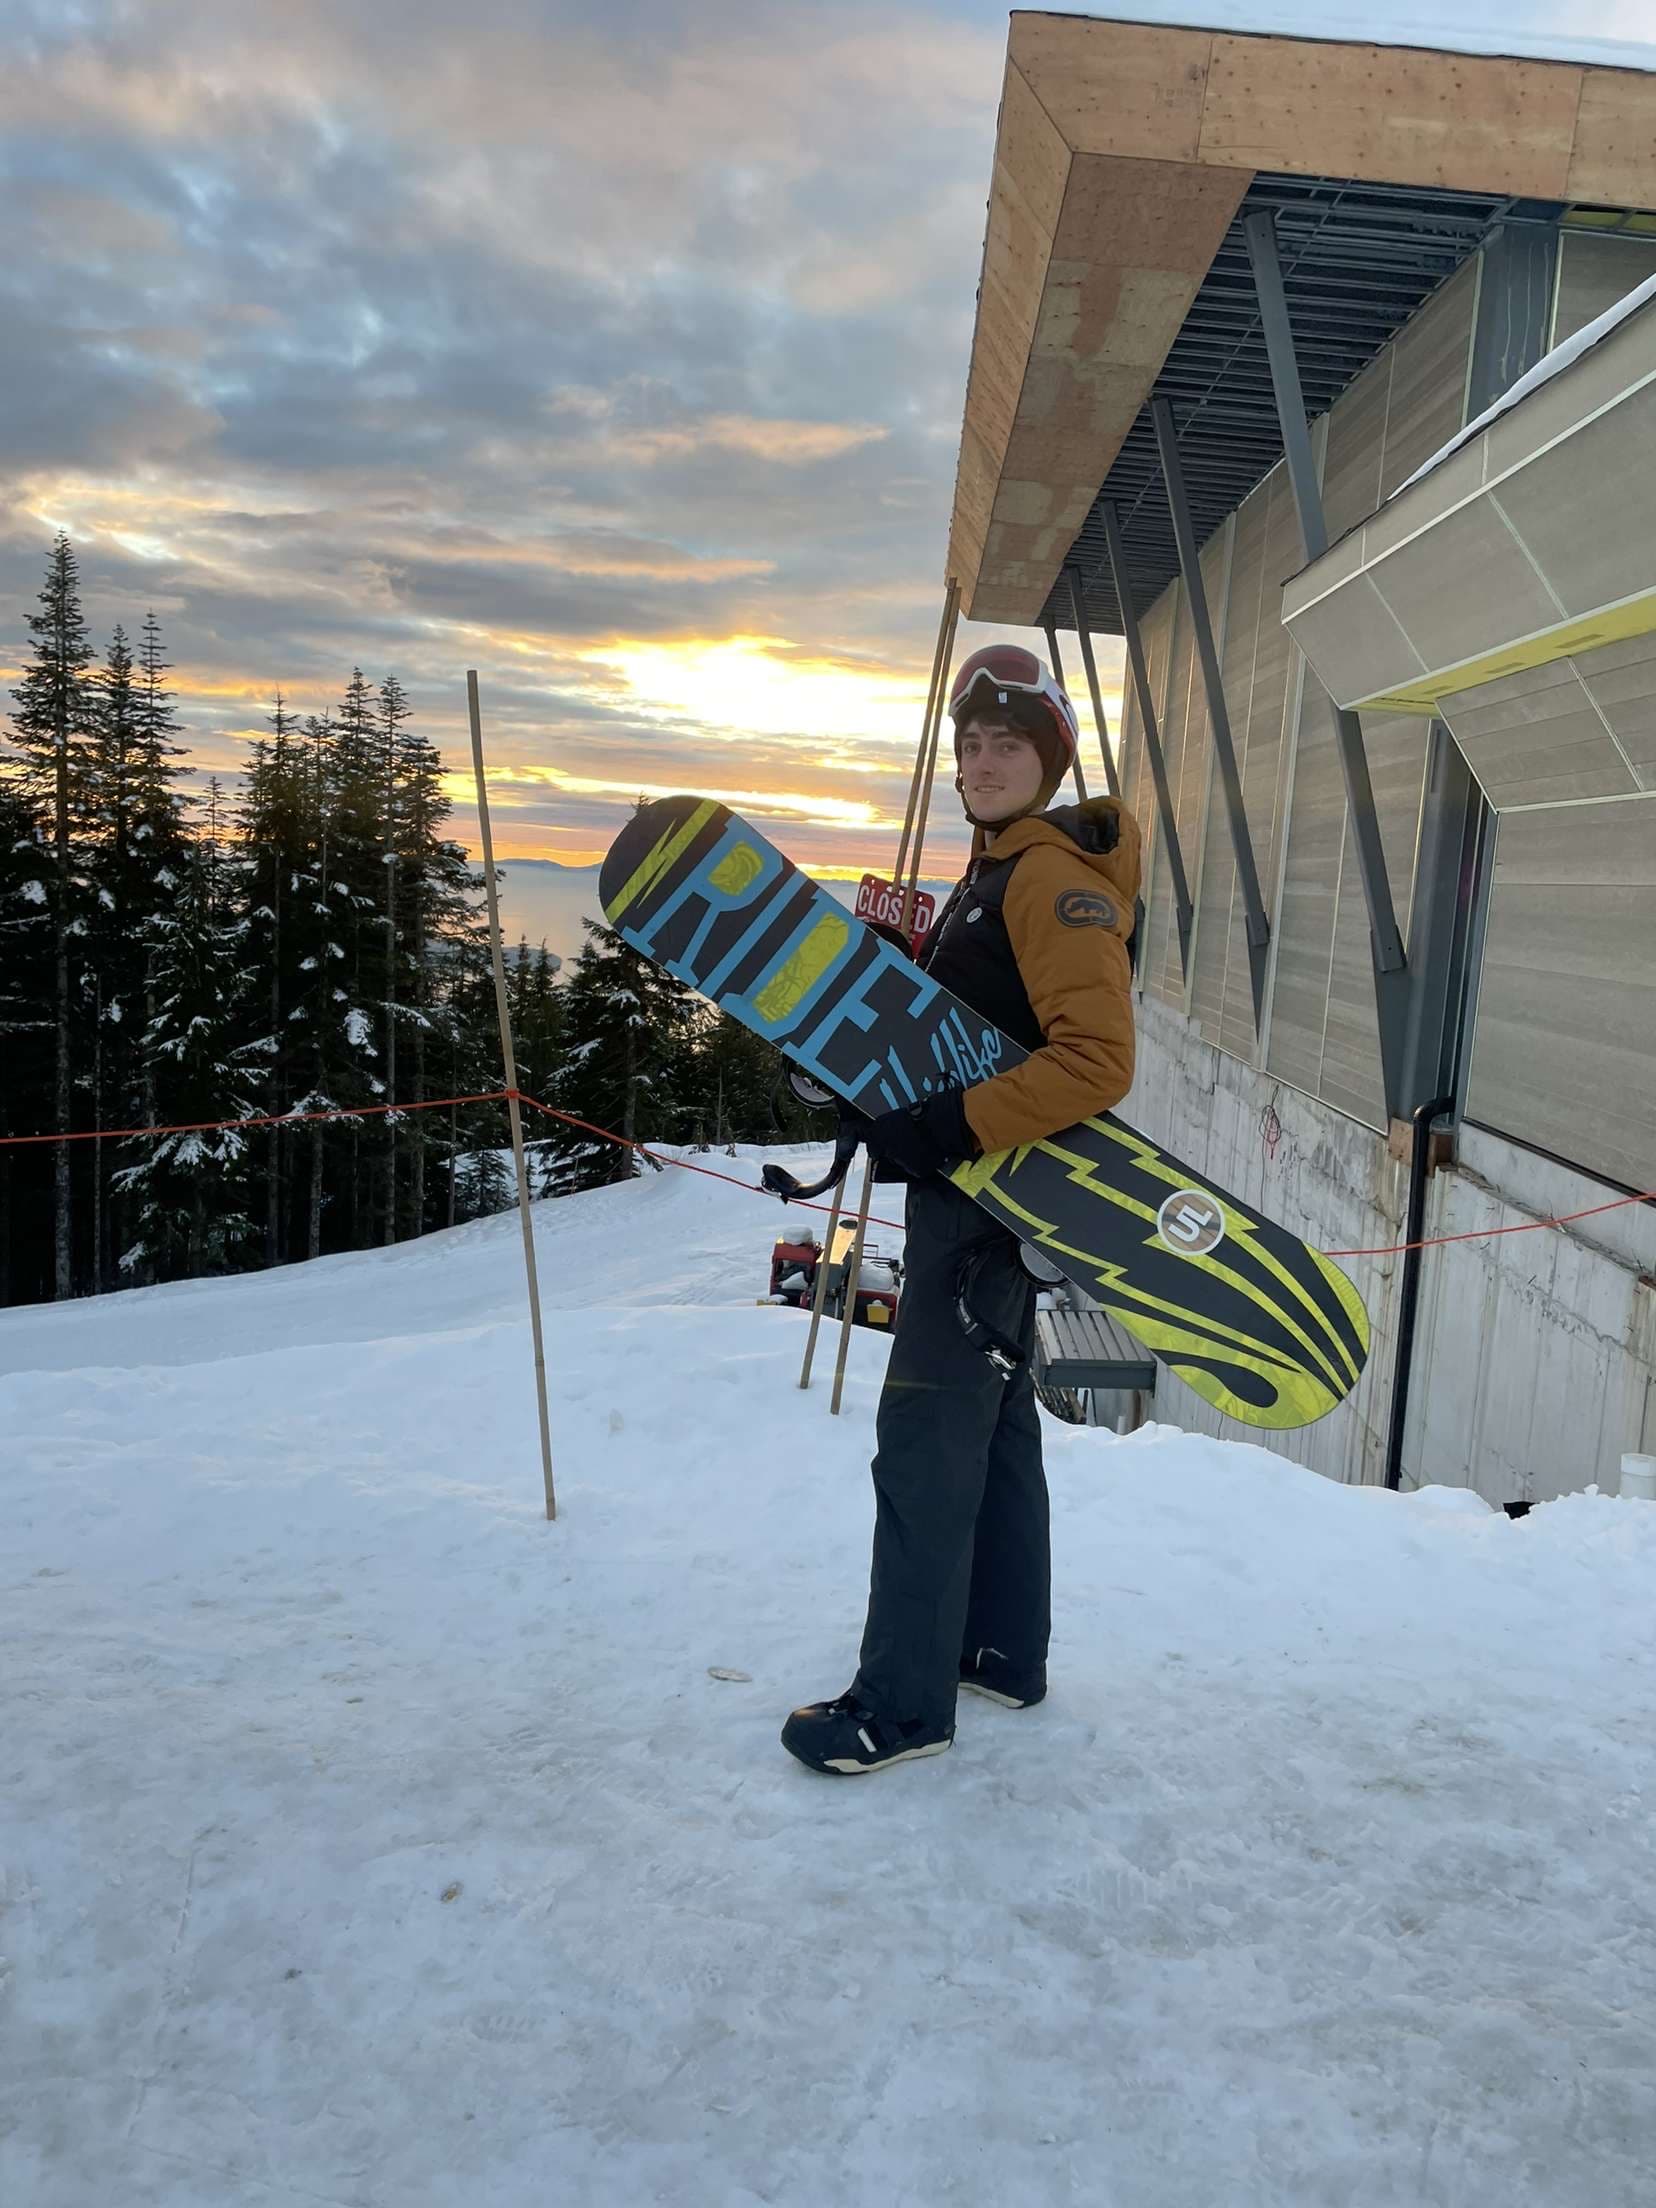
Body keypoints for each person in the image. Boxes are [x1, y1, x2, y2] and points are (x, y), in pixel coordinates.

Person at [781, 643, 1142, 1775]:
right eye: (970, 745)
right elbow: (995, 1022)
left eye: (1008, 745)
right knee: (994, 1430)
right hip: (984, 1204)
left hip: (986, 1203)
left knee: (927, 1441)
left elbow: (1094, 1062)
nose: (983, 763)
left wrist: (943, 1129)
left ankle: (901, 1706)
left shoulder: (1047, 880)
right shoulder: (996, 872)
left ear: (1049, 759)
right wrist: (909, 967)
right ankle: (998, 1652)